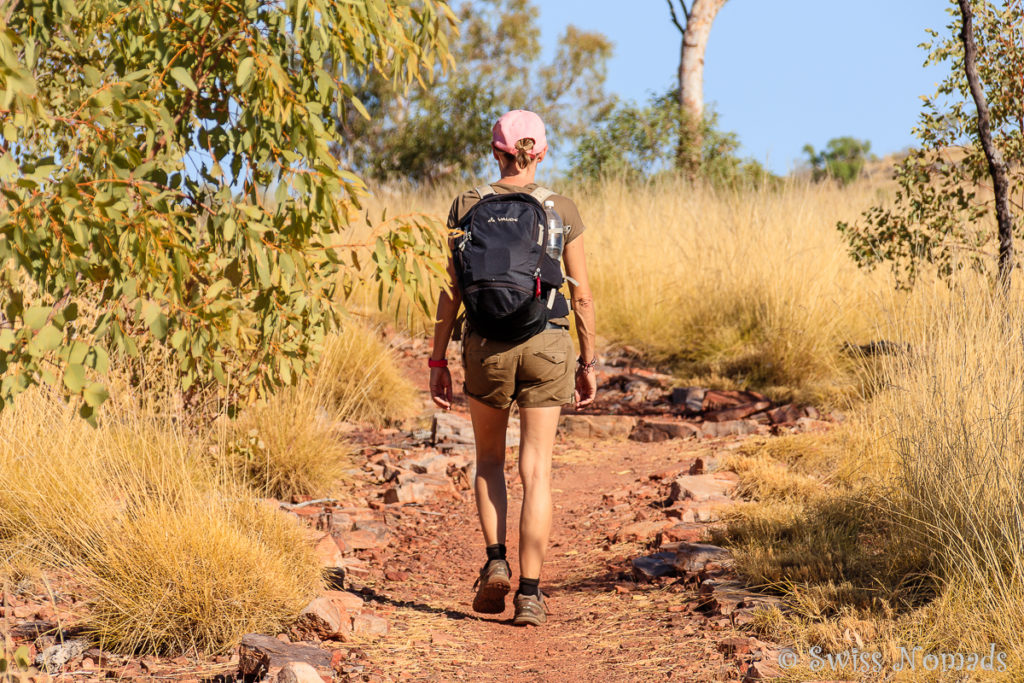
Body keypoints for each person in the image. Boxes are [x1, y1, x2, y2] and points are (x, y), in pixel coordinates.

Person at [428, 109, 597, 626]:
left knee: (487, 462)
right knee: (537, 470)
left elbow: (450, 292)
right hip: (547, 344)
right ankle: (529, 594)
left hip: (485, 346)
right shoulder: (560, 208)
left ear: (495, 151)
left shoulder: (466, 205)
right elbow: (583, 296)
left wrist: (437, 359)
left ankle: (495, 559)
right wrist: (587, 361)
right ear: (540, 152)